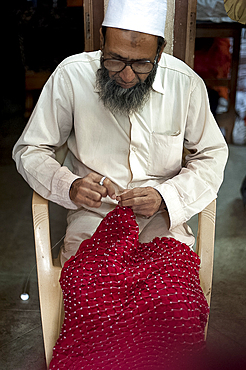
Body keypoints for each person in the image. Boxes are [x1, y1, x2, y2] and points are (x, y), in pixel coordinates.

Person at [13, 0, 228, 368]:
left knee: (174, 300)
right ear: (101, 41)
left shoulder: (185, 84)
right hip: (93, 218)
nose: (126, 75)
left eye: (141, 64)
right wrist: (69, 184)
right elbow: (30, 149)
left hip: (162, 222)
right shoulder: (71, 76)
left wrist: (165, 196)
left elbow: (212, 156)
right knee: (93, 296)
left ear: (160, 51)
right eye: (114, 60)